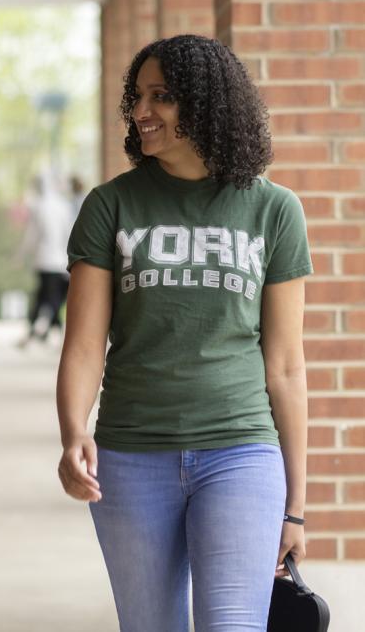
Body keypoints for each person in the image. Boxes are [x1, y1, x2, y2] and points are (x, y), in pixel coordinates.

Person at [56, 34, 311, 632]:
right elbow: (86, 345)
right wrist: (72, 432)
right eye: (138, 97)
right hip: (130, 456)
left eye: (162, 97)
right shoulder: (110, 206)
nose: (142, 112)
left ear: (207, 104)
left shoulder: (273, 211)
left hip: (240, 450)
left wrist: (295, 506)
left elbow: (286, 366)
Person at [18, 171, 73, 346]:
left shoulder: (39, 206)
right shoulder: (64, 206)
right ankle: (45, 332)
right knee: (50, 297)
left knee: (46, 297)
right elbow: (70, 233)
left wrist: (21, 254)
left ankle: (42, 332)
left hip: (44, 260)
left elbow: (32, 235)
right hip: (61, 261)